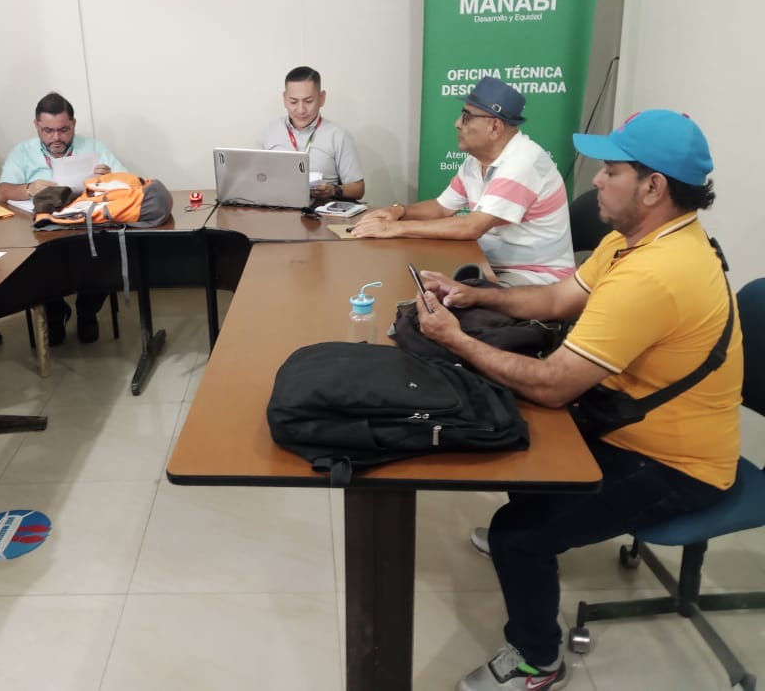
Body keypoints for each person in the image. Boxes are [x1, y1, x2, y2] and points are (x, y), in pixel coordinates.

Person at [412, 109, 742, 690]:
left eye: (611, 170)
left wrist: (455, 340)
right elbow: (557, 299)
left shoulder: (655, 274)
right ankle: (538, 524)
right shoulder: (634, 240)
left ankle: (539, 662)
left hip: (676, 463)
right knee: (517, 435)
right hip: (620, 417)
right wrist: (474, 295)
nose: (596, 180)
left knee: (517, 535)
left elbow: (554, 384)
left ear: (652, 187)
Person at [351, 76, 574, 287]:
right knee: (422, 286)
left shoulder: (522, 162)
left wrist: (393, 228)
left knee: (449, 303)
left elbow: (472, 226)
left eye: (466, 117)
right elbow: (441, 208)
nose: (457, 124)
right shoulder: (476, 161)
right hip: (489, 262)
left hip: (536, 276)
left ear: (495, 127)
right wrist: (398, 211)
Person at [0, 92, 126, 344]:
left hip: (84, 226)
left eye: (63, 130)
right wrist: (28, 188)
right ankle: (55, 313)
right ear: (36, 125)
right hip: (41, 229)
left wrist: (109, 177)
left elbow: (127, 183)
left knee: (104, 251)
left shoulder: (93, 148)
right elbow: (2, 192)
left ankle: (88, 313)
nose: (56, 138)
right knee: (36, 260)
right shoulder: (22, 152)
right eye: (48, 131)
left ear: (73, 124)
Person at [256, 66, 364, 201]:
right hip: (276, 205)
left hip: (319, 209)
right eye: (293, 101)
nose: (301, 110)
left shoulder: (338, 135)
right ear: (284, 99)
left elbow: (358, 189)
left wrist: (333, 190)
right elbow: (255, 177)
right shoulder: (269, 132)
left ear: (321, 98)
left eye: (308, 101)